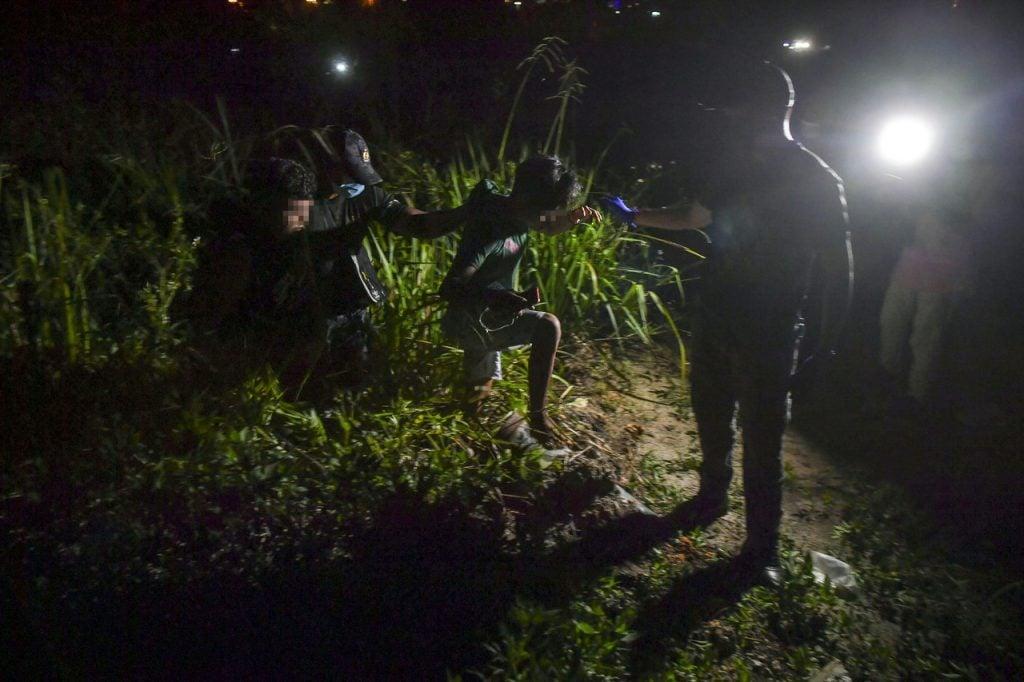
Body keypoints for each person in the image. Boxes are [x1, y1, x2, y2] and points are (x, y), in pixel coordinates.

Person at [604, 63, 853, 572]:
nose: (736, 120)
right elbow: (694, 217)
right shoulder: (735, 165)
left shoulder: (817, 179)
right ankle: (711, 497)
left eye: (743, 109)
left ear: (776, 109)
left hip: (771, 327)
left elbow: (839, 267)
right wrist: (634, 215)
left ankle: (761, 549)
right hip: (718, 314)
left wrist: (826, 345)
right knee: (711, 413)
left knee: (762, 440)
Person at [439, 156, 600, 445]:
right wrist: (499, 297)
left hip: (489, 314)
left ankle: (467, 434)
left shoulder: (519, 210)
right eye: (547, 209)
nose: (547, 218)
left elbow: (548, 225)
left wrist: (573, 217)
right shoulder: (491, 230)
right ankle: (538, 418)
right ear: (526, 198)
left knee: (476, 392)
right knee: (547, 326)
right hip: (470, 319)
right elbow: (451, 287)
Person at [299, 129, 469, 381]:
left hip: (351, 305)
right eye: (344, 171)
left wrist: (464, 213)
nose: (349, 181)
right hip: (306, 309)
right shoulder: (297, 199)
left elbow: (416, 224)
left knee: (363, 381)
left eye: (355, 173)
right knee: (310, 386)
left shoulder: (362, 194)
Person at [879, 201, 970, 406]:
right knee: (891, 327)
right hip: (907, 274)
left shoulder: (958, 206)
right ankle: (888, 378)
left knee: (926, 341)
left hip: (940, 281)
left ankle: (917, 395)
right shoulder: (922, 202)